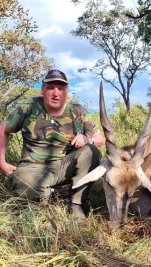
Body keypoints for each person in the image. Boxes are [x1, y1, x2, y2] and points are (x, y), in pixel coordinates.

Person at [0, 69, 105, 219]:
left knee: (92, 151)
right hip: (32, 167)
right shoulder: (27, 107)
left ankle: (77, 203)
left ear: (67, 92)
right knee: (24, 186)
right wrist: (2, 163)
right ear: (42, 89)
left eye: (61, 88)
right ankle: (57, 196)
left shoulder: (77, 111)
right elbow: (3, 130)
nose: (56, 93)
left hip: (64, 166)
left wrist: (89, 140)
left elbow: (100, 137)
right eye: (50, 87)